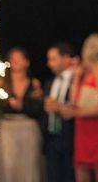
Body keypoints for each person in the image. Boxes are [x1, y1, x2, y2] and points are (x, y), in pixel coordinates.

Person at [0, 47, 44, 182]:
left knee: (28, 165)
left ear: (26, 62)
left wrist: (23, 105)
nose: (14, 61)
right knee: (8, 165)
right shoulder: (3, 82)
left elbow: (38, 106)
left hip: (27, 127)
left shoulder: (34, 83)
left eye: (18, 58)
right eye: (12, 58)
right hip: (8, 126)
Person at [64, 34, 98, 182]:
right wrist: (76, 77)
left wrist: (76, 112)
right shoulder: (85, 75)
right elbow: (74, 100)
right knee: (81, 172)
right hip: (83, 130)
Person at [42, 42, 76, 182]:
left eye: (53, 59)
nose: (50, 64)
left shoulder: (76, 80)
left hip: (70, 137)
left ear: (66, 58)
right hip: (52, 137)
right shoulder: (50, 83)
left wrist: (60, 108)